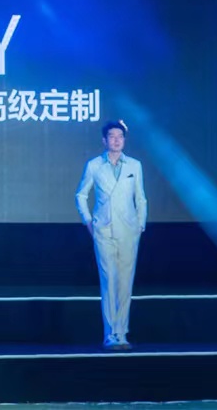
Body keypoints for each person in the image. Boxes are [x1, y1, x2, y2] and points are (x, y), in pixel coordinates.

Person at [75, 120, 147, 350]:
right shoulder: (94, 165)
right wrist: (88, 221)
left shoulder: (134, 165)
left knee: (125, 283)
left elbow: (141, 198)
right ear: (104, 140)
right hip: (103, 230)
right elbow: (81, 195)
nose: (116, 140)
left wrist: (140, 224)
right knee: (109, 281)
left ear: (124, 140)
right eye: (112, 136)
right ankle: (110, 334)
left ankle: (122, 332)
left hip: (128, 230)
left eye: (120, 136)